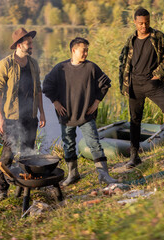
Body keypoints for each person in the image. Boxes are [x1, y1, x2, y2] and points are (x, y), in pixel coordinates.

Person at [43, 37, 117, 186]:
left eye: (87, 50)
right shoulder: (60, 68)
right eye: (84, 50)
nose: (86, 53)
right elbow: (47, 85)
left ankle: (104, 175)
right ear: (74, 50)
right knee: (68, 145)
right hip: (66, 115)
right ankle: (73, 174)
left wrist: (96, 102)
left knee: (94, 143)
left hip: (86, 115)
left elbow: (105, 84)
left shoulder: (91, 68)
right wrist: (55, 102)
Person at [119, 7, 164, 169]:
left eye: (147, 22)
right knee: (135, 120)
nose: (144, 26)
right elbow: (123, 63)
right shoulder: (131, 41)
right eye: (141, 23)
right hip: (135, 86)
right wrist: (124, 85)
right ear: (135, 22)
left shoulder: (158, 37)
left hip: (153, 84)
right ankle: (134, 156)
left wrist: (158, 74)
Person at [0, 28, 46, 200]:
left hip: (30, 116)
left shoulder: (33, 64)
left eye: (31, 42)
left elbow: (38, 90)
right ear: (19, 44)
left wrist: (42, 114)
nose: (32, 45)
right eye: (29, 43)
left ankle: (25, 186)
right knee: (8, 155)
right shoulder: (5, 64)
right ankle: (2, 188)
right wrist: (0, 118)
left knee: (28, 154)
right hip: (11, 118)